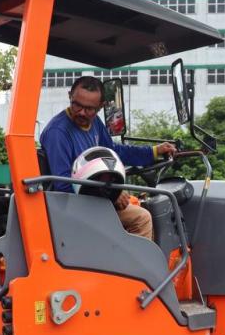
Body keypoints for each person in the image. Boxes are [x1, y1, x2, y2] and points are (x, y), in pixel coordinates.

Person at [40, 76, 177, 240]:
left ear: (100, 106)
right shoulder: (58, 132)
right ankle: (133, 266)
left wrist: (153, 152)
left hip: (92, 198)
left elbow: (112, 151)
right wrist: (110, 193)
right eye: (77, 105)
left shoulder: (95, 122)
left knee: (137, 202)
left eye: (89, 109)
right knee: (142, 218)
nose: (82, 113)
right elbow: (63, 184)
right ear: (70, 96)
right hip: (72, 207)